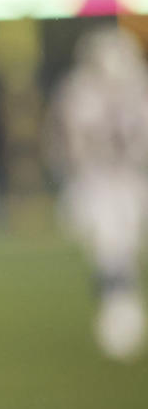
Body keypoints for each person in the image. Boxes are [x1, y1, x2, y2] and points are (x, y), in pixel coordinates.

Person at [45, 26, 148, 362]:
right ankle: (121, 315)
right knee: (118, 252)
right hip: (131, 182)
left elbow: (65, 145)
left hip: (98, 183)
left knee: (111, 253)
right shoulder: (138, 89)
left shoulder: (79, 92)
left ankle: (120, 317)